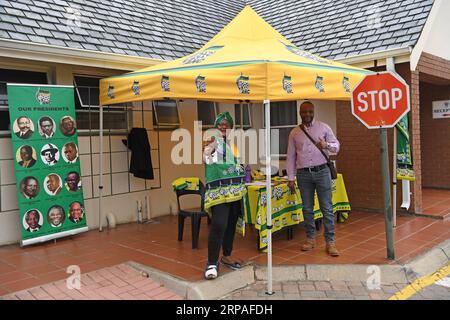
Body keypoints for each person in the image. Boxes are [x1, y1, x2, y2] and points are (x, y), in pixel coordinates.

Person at [287, 101, 340, 257]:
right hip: (303, 174)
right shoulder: (294, 133)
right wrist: (291, 177)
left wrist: (326, 145)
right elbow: (290, 157)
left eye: (310, 111)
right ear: (299, 113)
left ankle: (330, 242)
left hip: (322, 171)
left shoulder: (324, 127)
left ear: (313, 112)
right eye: (304, 112)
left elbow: (337, 146)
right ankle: (310, 239)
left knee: (327, 208)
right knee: (307, 209)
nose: (307, 115)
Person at [202, 111, 245, 280]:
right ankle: (212, 263)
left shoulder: (232, 145)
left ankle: (226, 255)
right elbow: (207, 156)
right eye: (220, 124)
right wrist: (207, 152)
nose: (223, 126)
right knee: (219, 224)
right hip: (219, 191)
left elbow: (236, 162)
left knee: (231, 224)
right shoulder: (213, 140)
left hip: (235, 190)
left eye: (227, 124)